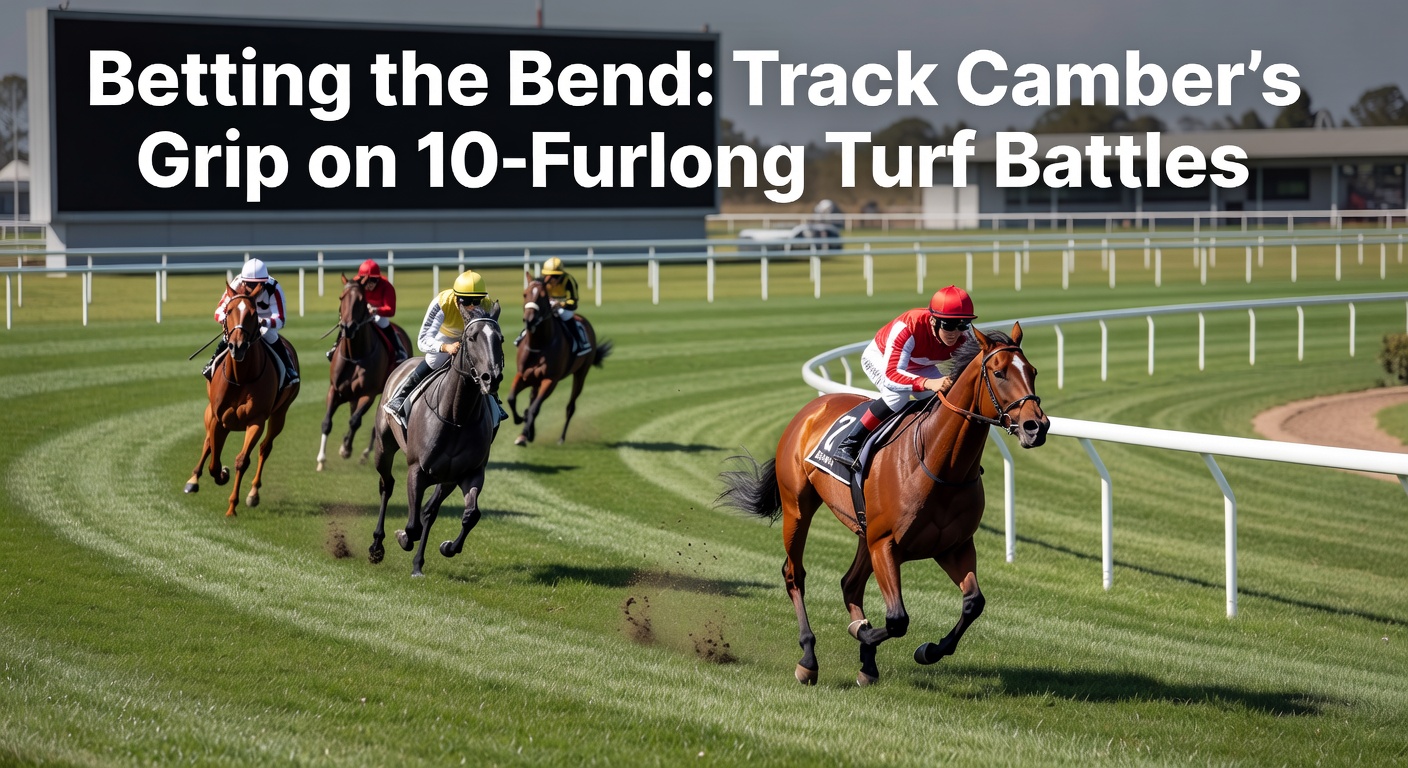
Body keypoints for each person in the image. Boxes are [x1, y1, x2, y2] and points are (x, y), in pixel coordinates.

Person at [832, 285, 981, 469]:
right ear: (933, 320)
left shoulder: (965, 337)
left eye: (962, 324)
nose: (955, 333)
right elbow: (891, 375)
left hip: (920, 365)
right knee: (896, 397)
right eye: (948, 325)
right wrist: (928, 383)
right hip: (881, 358)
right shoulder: (908, 326)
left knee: (946, 399)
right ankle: (850, 444)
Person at [382, 270, 506, 428]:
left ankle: (494, 401)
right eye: (467, 300)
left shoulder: (486, 304)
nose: (472, 306)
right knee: (434, 361)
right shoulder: (442, 302)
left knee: (484, 365)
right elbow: (422, 340)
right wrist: (445, 347)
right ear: (456, 297)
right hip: (446, 336)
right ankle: (401, 396)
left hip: (472, 336)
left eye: (477, 300)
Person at [205, 258, 299, 387]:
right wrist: (228, 321)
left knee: (270, 335)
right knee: (229, 337)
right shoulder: (236, 285)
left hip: (263, 323)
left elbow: (280, 319)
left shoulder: (274, 288)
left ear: (264, 282)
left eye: (257, 284)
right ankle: (212, 363)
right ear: (243, 282)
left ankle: (289, 369)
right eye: (249, 284)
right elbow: (219, 310)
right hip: (242, 321)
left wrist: (262, 322)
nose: (252, 289)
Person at [327, 259, 408, 363]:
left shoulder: (387, 286)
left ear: (378, 279)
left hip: (377, 313)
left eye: (373, 280)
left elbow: (391, 310)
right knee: (347, 322)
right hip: (361, 313)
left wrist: (375, 310)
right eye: (366, 280)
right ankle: (335, 347)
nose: (369, 284)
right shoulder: (356, 283)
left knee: (382, 322)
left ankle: (399, 350)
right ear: (361, 279)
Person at [518, 256, 590, 353]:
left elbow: (573, 301)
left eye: (556, 276)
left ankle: (580, 341)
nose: (552, 279)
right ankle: (523, 336)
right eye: (549, 276)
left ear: (561, 275)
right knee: (535, 317)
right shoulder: (542, 282)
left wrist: (560, 304)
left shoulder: (568, 281)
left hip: (565, 307)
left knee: (567, 317)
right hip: (549, 305)